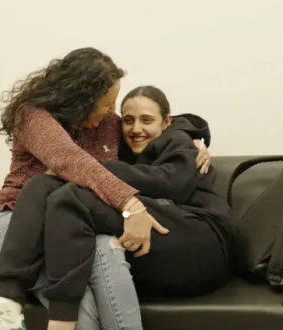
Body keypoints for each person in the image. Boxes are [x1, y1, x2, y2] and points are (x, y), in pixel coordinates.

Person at [0, 48, 210, 330]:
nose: (112, 111)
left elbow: (151, 122)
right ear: (81, 99)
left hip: (68, 227)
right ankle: (5, 311)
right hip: (12, 225)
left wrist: (192, 138)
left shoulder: (106, 124)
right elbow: (71, 161)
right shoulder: (33, 115)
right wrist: (130, 204)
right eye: (106, 104)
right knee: (81, 304)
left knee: (107, 247)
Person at [38, 85, 233, 329]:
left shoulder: (178, 140)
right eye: (128, 121)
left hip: (202, 238)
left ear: (166, 122)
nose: (136, 129)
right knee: (76, 211)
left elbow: (171, 184)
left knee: (73, 197)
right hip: (168, 240)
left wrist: (92, 169)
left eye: (147, 120)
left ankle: (53, 315)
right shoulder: (123, 147)